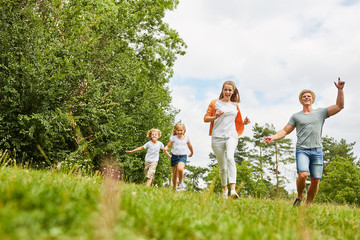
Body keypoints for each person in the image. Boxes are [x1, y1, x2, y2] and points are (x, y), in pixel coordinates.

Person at [263, 77, 345, 206]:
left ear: (312, 99)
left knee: (316, 180)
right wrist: (272, 137)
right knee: (303, 175)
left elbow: (340, 106)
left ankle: (307, 205)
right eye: (304, 96)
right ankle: (299, 196)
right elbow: (285, 131)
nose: (306, 97)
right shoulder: (296, 116)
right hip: (302, 150)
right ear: (301, 100)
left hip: (317, 150)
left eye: (309, 96)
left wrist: (340, 90)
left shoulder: (321, 113)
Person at [204, 81, 250, 199]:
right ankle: (224, 189)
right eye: (226, 90)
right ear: (222, 90)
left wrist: (244, 122)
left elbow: (237, 121)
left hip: (231, 135)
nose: (228, 92)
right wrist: (215, 116)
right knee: (223, 167)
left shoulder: (235, 105)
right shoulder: (215, 103)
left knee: (230, 157)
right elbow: (206, 119)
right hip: (217, 137)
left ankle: (233, 190)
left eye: (230, 90)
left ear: (233, 91)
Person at [164, 123, 194, 191]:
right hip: (174, 157)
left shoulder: (186, 138)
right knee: (174, 174)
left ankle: (180, 183)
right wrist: (165, 148)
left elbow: (190, 146)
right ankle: (174, 189)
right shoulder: (173, 138)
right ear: (175, 130)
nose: (179, 132)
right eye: (178, 130)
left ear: (184, 130)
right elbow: (168, 146)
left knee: (180, 169)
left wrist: (192, 152)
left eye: (181, 130)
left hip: (182, 156)